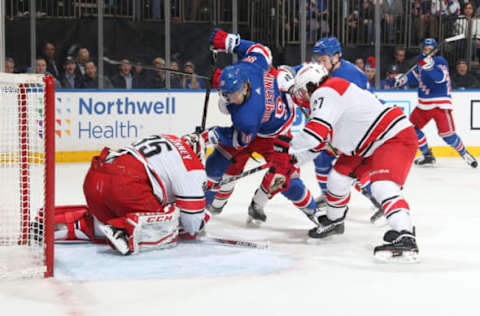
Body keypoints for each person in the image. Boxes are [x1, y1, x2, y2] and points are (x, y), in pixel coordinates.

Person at [286, 63, 419, 262]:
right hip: (370, 143)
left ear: (309, 84)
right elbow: (318, 143)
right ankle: (335, 220)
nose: (300, 98)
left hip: (390, 136)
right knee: (338, 178)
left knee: (383, 186)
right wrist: (291, 160)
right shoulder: (328, 97)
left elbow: (314, 135)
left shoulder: (326, 92)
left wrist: (284, 150)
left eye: (300, 92)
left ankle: (406, 238)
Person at [204, 28, 319, 226]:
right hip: (257, 127)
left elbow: (239, 136)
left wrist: (211, 134)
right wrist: (230, 43)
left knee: (285, 180)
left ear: (246, 87)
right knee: (215, 165)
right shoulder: (255, 67)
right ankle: (207, 208)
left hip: (276, 136)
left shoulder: (247, 115)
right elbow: (260, 50)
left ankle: (314, 213)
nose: (228, 99)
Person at [82, 132, 209, 255]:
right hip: (125, 185)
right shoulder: (192, 166)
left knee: (100, 221)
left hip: (95, 176)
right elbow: (192, 226)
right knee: (166, 227)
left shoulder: (167, 138)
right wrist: (203, 218)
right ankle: (123, 230)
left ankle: (76, 223)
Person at [293, 37, 371, 208]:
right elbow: (299, 70)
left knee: (351, 168)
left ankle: (379, 198)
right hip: (335, 125)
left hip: (354, 127)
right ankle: (328, 196)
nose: (320, 63)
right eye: (318, 59)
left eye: (324, 60)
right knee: (321, 159)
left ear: (336, 57)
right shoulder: (322, 69)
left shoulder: (350, 74)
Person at [395, 38, 477, 168]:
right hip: (423, 105)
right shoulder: (420, 62)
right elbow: (415, 76)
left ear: (435, 51)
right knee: (410, 128)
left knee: (447, 136)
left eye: (430, 50)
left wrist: (430, 66)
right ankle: (427, 155)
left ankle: (464, 153)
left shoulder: (440, 61)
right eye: (425, 49)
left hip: (440, 104)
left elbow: (440, 78)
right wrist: (403, 79)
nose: (427, 52)